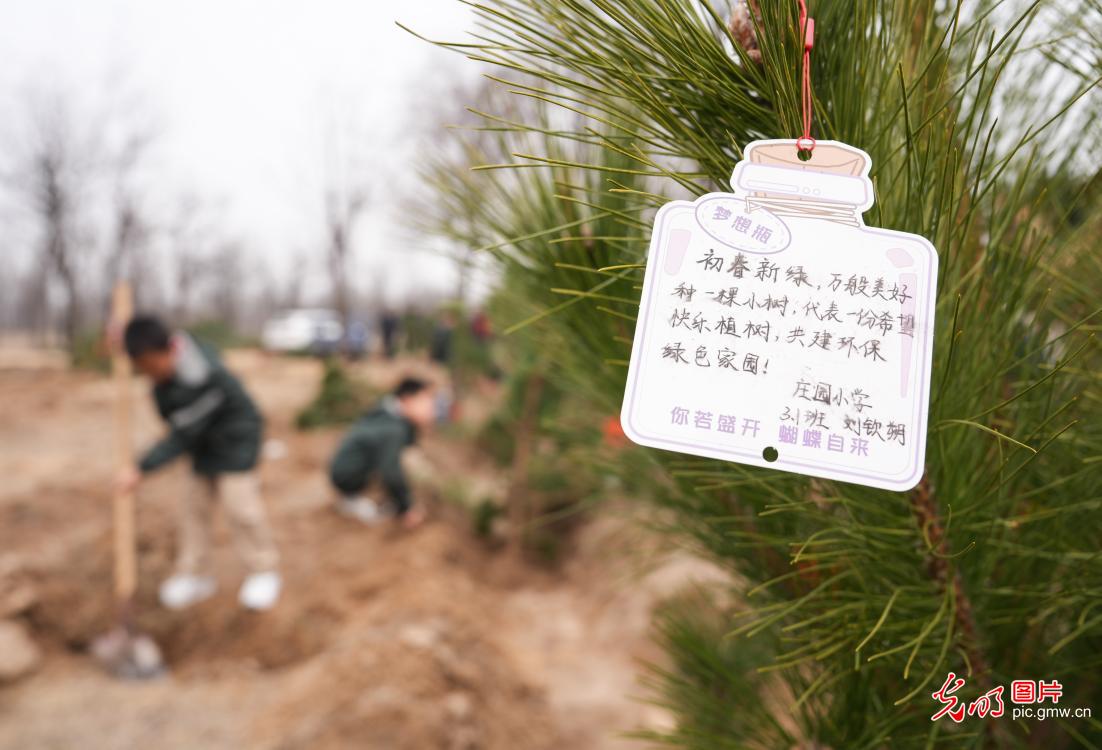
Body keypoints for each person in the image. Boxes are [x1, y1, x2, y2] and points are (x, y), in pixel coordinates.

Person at [117, 316, 282, 611]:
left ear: (166, 351)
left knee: (241, 507)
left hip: (236, 441)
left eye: (150, 365)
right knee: (194, 509)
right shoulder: (165, 379)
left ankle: (263, 570)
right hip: (203, 444)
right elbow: (180, 427)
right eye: (141, 368)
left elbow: (180, 434)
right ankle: (197, 575)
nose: (148, 373)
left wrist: (140, 468)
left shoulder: (203, 374)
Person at [329, 377, 435, 528]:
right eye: (426, 401)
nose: (431, 408)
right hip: (349, 480)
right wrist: (408, 507)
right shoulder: (394, 429)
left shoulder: (386, 412)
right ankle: (368, 504)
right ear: (408, 400)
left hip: (343, 473)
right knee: (406, 461)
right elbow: (390, 470)